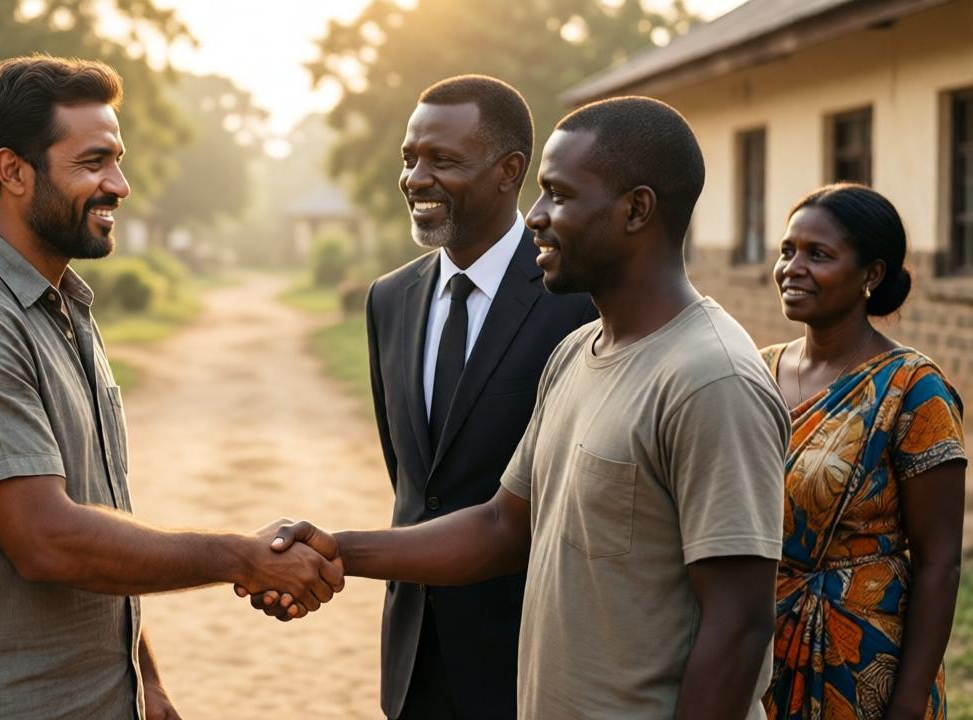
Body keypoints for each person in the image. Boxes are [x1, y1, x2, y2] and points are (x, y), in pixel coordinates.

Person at [248, 96, 790, 719]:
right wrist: (335, 548)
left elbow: (741, 623)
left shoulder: (710, 378)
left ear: (636, 209)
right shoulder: (577, 354)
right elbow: (500, 527)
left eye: (558, 195)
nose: (534, 217)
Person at [0, 55, 343, 720]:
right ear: (13, 171)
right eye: (93, 162)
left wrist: (143, 682)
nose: (120, 185)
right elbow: (49, 539)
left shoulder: (62, 307)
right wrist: (242, 556)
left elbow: (95, 520)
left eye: (117, 160)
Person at [362, 74, 594, 719]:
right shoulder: (389, 299)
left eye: (442, 160)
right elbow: (413, 477)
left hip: (530, 652)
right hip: (414, 658)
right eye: (409, 158)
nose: (414, 177)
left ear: (509, 170)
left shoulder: (577, 302)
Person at [761, 184, 966, 720]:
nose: (792, 268)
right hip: (757, 647)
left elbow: (939, 561)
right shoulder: (755, 373)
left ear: (870, 275)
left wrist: (906, 702)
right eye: (788, 251)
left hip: (865, 661)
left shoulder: (913, 390)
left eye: (818, 255)